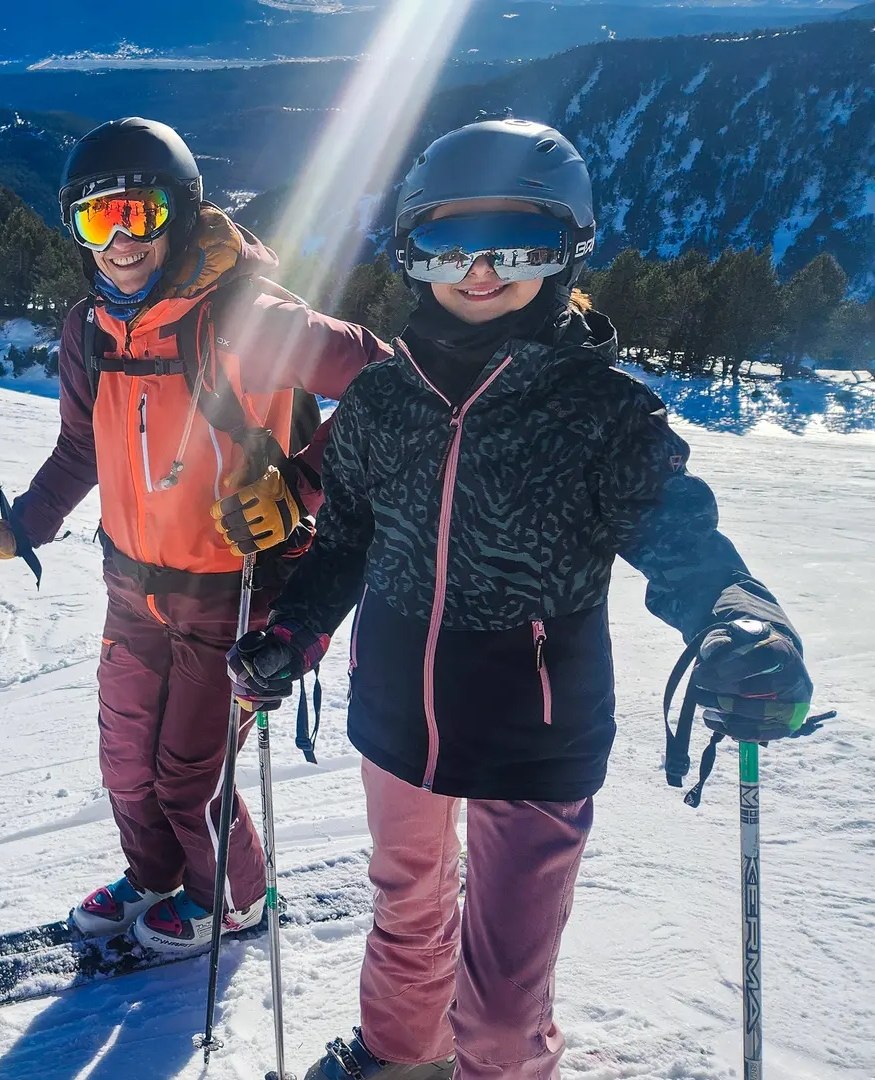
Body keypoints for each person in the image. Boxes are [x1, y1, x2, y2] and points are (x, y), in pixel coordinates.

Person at [229, 119, 819, 1080]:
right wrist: (293, 630)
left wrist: (740, 615)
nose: (480, 271)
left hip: (535, 732)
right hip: (397, 712)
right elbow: (346, 540)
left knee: (502, 1014)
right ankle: (397, 1056)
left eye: (518, 246)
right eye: (448, 245)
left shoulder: (602, 410)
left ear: (568, 252)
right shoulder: (380, 400)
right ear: (414, 255)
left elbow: (684, 544)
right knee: (408, 908)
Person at [0, 117, 389, 959]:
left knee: (190, 773)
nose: (118, 241)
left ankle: (232, 898)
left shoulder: (245, 315)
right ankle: (154, 877)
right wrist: (21, 528)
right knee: (126, 759)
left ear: (180, 214)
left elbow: (390, 385)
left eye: (138, 215)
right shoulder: (88, 329)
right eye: (95, 220)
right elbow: (82, 448)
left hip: (235, 587)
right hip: (133, 585)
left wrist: (300, 483)